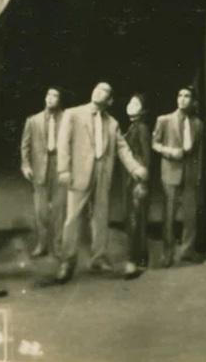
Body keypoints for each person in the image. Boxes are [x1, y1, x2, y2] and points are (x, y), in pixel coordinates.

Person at [55, 82, 147, 282]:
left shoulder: (112, 123)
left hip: (103, 174)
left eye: (104, 90)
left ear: (110, 100)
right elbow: (63, 143)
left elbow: (122, 149)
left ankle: (98, 258)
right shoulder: (73, 114)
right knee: (72, 218)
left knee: (100, 217)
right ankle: (67, 262)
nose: (98, 91)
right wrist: (63, 169)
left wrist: (135, 168)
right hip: (78, 173)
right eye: (97, 88)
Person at [153, 87, 204, 267]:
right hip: (171, 171)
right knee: (169, 215)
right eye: (180, 95)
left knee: (190, 215)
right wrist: (170, 151)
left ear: (193, 101)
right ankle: (167, 253)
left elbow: (199, 152)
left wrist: (198, 173)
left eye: (187, 96)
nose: (182, 99)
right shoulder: (164, 120)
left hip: (190, 173)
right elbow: (155, 143)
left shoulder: (198, 123)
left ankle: (187, 251)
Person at [20, 87, 65, 258]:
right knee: (41, 209)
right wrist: (26, 165)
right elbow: (25, 145)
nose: (50, 98)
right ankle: (42, 244)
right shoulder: (33, 120)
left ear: (60, 100)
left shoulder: (68, 119)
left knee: (60, 209)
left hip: (60, 168)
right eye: (48, 94)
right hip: (40, 168)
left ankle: (58, 245)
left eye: (55, 95)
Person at [122, 93, 152, 278]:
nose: (130, 105)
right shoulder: (133, 127)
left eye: (135, 103)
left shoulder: (141, 128)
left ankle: (135, 260)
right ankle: (140, 258)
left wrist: (142, 183)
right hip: (131, 177)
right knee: (134, 219)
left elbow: (146, 157)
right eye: (130, 101)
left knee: (135, 220)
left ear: (143, 109)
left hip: (137, 179)